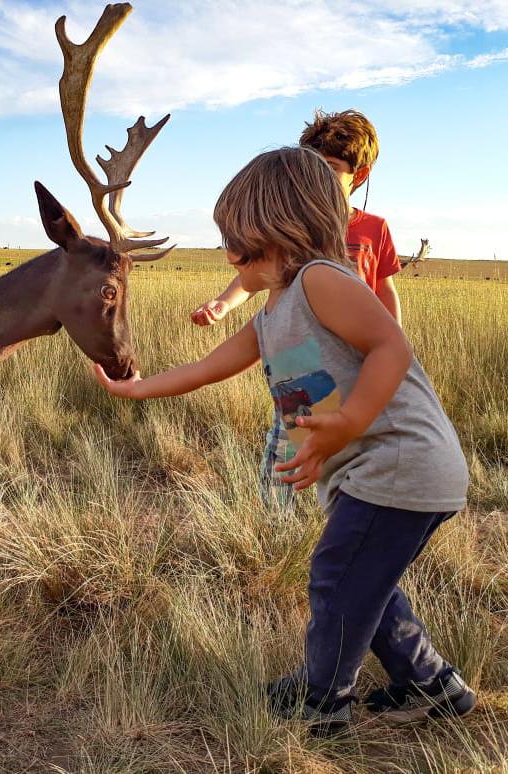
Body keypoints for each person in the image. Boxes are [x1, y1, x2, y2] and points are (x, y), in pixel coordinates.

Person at [94, 146, 474, 734]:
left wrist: (348, 423)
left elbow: (391, 346)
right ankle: (434, 686)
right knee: (363, 583)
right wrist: (137, 391)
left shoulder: (322, 281)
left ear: (280, 231)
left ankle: (324, 699)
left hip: (401, 463)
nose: (227, 255)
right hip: (372, 472)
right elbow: (209, 366)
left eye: (238, 242)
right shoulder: (272, 313)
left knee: (335, 576)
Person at [192, 110, 402, 512]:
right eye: (313, 167)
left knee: (353, 462)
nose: (320, 178)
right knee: (286, 455)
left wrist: (393, 343)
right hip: (301, 368)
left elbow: (384, 289)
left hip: (355, 368)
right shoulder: (291, 227)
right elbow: (256, 271)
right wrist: (222, 303)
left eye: (332, 168)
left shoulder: (374, 229)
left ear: (358, 175)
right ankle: (275, 540)